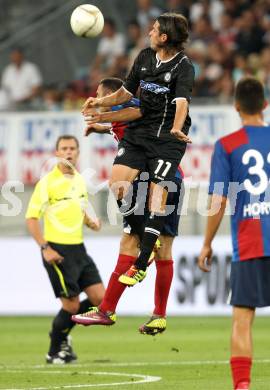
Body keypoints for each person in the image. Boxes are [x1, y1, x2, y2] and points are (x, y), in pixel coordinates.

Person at [81, 13, 194, 288]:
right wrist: (99, 102)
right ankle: (144, 236)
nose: (149, 33)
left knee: (158, 195)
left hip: (168, 137)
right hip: (142, 132)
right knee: (118, 185)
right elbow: (126, 93)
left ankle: (142, 262)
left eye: (154, 30)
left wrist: (178, 128)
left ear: (165, 37)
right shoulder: (144, 57)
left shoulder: (183, 66)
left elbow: (181, 103)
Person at [72, 77, 184, 335]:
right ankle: (159, 316)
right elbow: (123, 125)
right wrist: (100, 127)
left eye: (100, 94)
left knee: (129, 241)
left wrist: (100, 115)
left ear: (111, 96)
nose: (97, 98)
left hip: (149, 181)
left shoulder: (129, 107)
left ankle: (106, 309)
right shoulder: (123, 117)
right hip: (173, 178)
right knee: (165, 251)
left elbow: (133, 112)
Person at [198, 77, 270, 390]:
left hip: (251, 243)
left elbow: (219, 200)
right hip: (254, 241)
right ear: (265, 105)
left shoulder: (227, 145)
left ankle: (242, 386)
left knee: (242, 318)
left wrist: (206, 243)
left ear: (236, 106)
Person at [26, 135, 105, 364]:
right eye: (64, 148)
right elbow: (31, 219)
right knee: (70, 305)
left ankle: (62, 334)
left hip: (79, 248)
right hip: (57, 250)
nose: (69, 152)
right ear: (57, 153)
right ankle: (54, 349)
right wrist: (45, 248)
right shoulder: (47, 182)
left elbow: (77, 210)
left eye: (72, 148)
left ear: (78, 153)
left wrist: (90, 222)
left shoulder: (80, 180)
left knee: (101, 299)